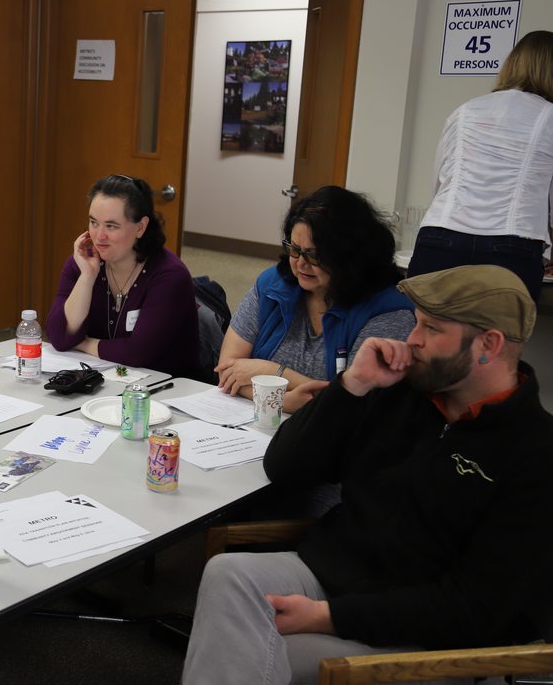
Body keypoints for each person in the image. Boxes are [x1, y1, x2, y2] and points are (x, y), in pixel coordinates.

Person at [181, 265, 553, 685]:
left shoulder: (535, 453)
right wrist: (352, 384)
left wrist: (330, 618)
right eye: (416, 323)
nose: (412, 340)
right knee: (228, 575)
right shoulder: (400, 392)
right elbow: (285, 467)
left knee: (243, 650)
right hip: (335, 575)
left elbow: (473, 609)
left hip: (422, 632)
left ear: (488, 344)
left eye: (431, 329)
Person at [216, 186, 416, 414]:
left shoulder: (387, 314)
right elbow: (228, 372)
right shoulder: (273, 285)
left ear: (350, 256)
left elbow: (353, 405)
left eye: (314, 255)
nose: (300, 263)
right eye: (295, 249)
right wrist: (285, 402)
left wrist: (273, 371)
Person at [408, 30, 553, 301]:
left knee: (425, 337)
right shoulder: (549, 118)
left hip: (440, 237)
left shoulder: (466, 110)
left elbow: (440, 182)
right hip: (511, 246)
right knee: (496, 340)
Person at [45, 174, 200, 378]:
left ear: (140, 227)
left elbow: (137, 353)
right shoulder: (83, 262)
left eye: (111, 226)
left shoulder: (169, 276)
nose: (99, 236)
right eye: (93, 222)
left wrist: (82, 343)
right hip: (106, 381)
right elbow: (59, 337)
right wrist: (87, 277)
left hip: (164, 390)